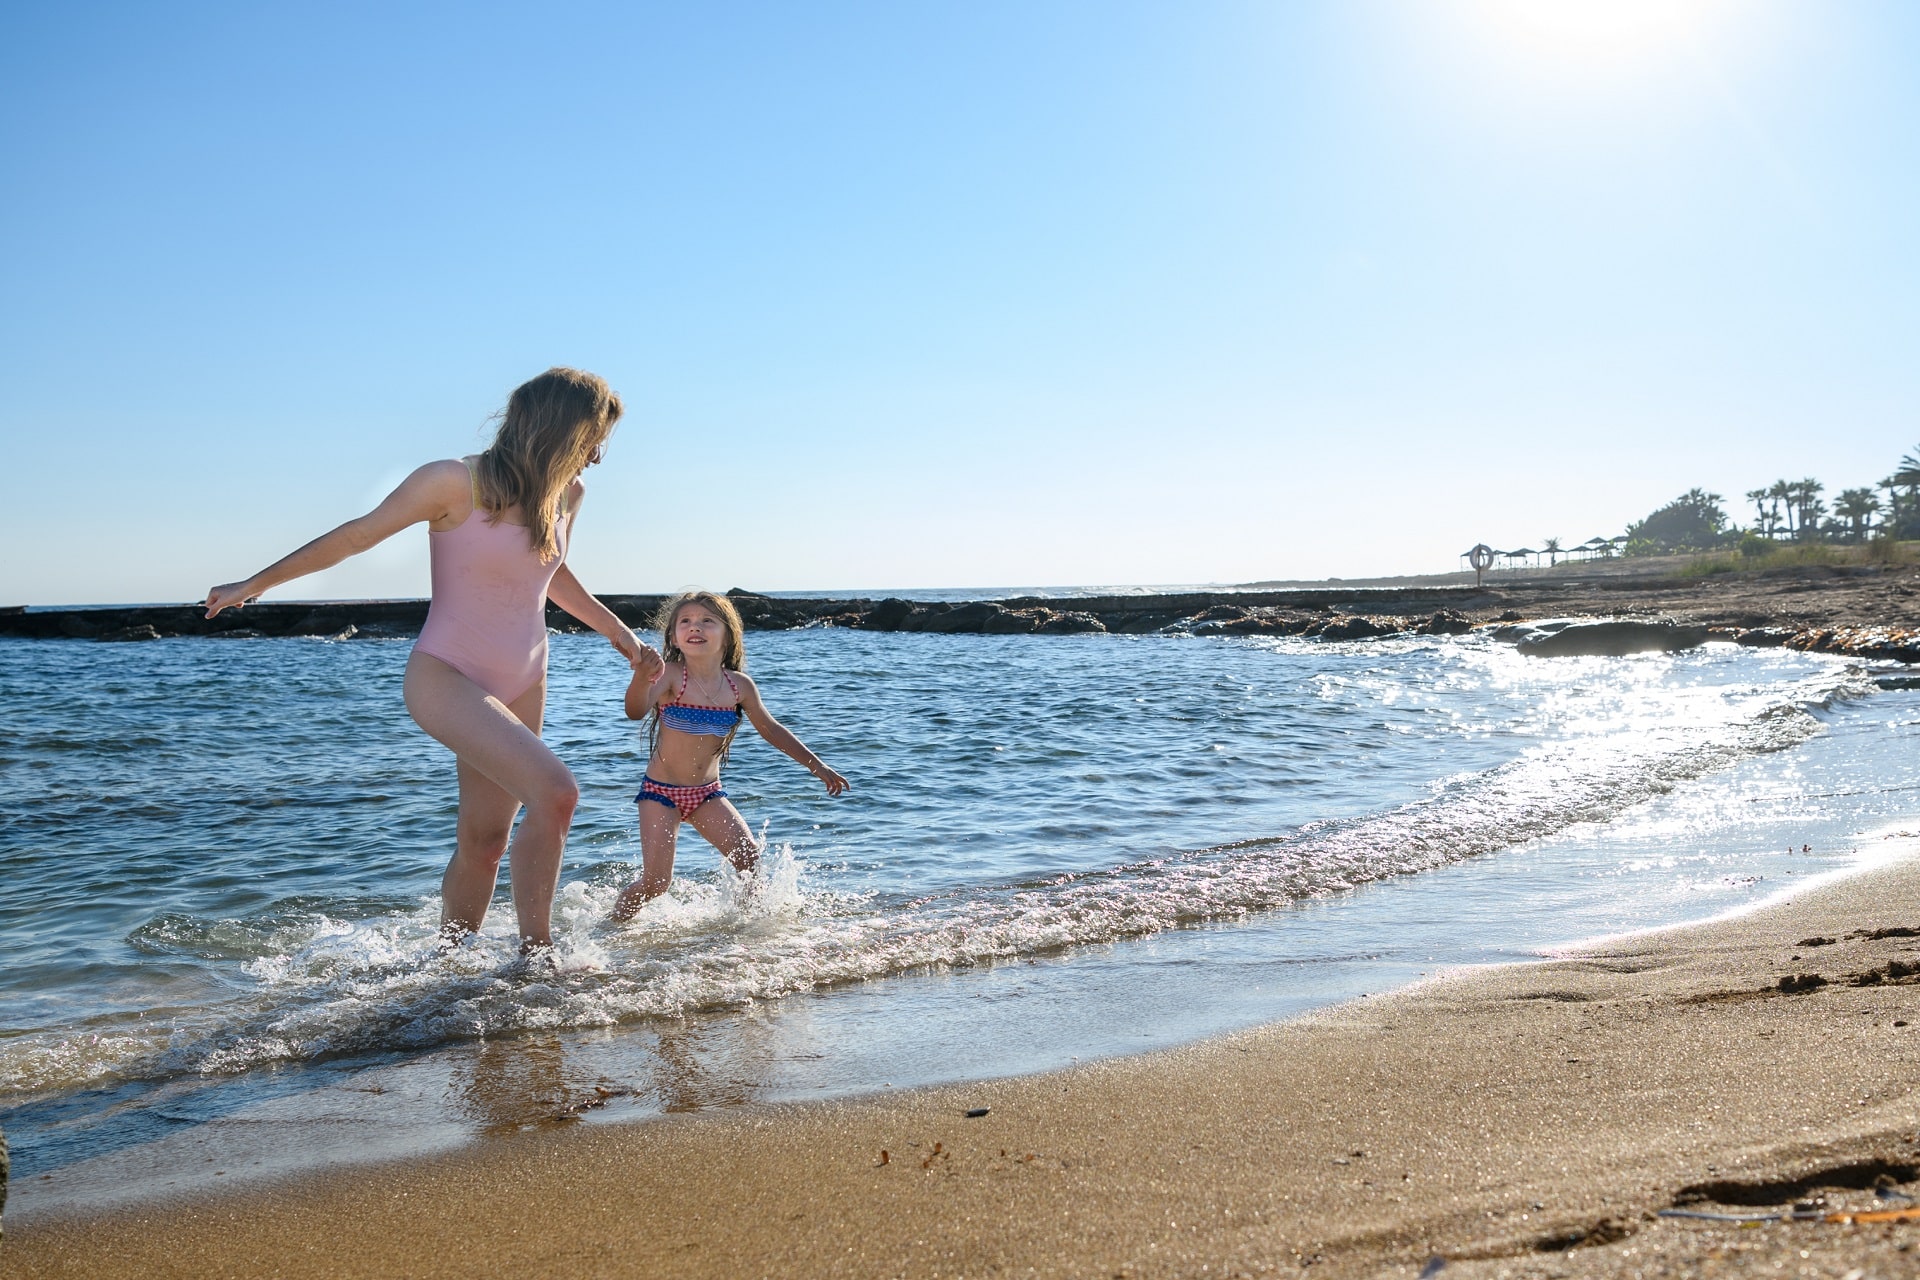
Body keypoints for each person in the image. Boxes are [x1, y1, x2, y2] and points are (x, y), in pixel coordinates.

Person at [204, 367, 660, 953]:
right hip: (447, 672)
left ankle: (448, 964)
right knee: (557, 792)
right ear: (558, 428)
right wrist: (254, 583)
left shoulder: (567, 495)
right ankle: (537, 959)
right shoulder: (453, 481)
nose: (597, 456)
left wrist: (617, 633)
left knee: (486, 838)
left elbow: (550, 572)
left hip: (525, 675)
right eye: (593, 439)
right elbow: (356, 536)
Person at [611, 590, 846, 920]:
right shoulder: (671, 676)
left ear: (728, 635)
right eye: (686, 621)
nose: (696, 627)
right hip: (660, 794)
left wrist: (816, 765)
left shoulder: (739, 686)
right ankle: (613, 924)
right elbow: (635, 710)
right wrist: (641, 675)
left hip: (707, 794)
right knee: (656, 883)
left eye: (708, 621)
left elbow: (771, 729)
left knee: (748, 858)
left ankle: (746, 930)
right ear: (675, 637)